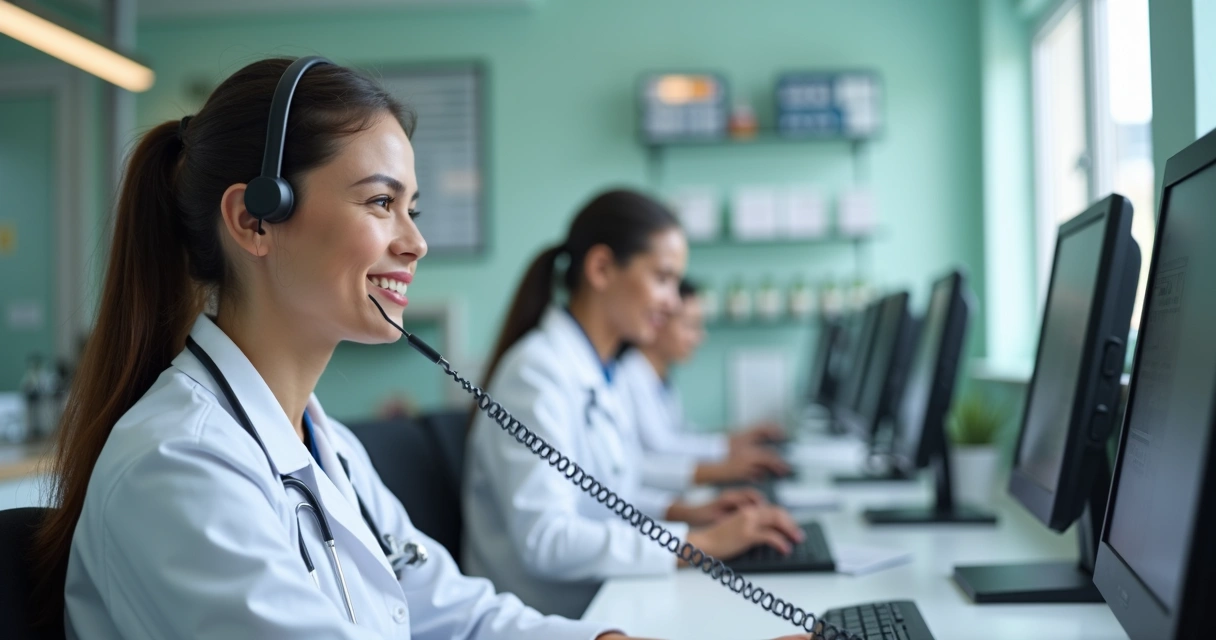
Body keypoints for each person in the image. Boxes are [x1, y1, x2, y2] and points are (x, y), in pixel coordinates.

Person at [32, 57, 689, 640]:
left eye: (414, 210)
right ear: (253, 220)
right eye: (381, 202)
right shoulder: (178, 465)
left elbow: (451, 612)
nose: (415, 243)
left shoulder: (329, 447)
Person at [463, 189, 804, 619]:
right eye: (662, 279)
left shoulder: (598, 371)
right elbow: (545, 539)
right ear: (602, 268)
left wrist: (689, 513)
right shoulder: (534, 376)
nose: (673, 302)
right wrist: (701, 542)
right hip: (552, 620)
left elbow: (608, 492)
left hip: (606, 602)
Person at [618, 279, 791, 493]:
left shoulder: (658, 375)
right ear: (656, 321)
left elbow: (680, 434)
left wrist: (737, 440)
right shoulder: (628, 375)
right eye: (690, 325)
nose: (700, 336)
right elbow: (661, 448)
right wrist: (727, 455)